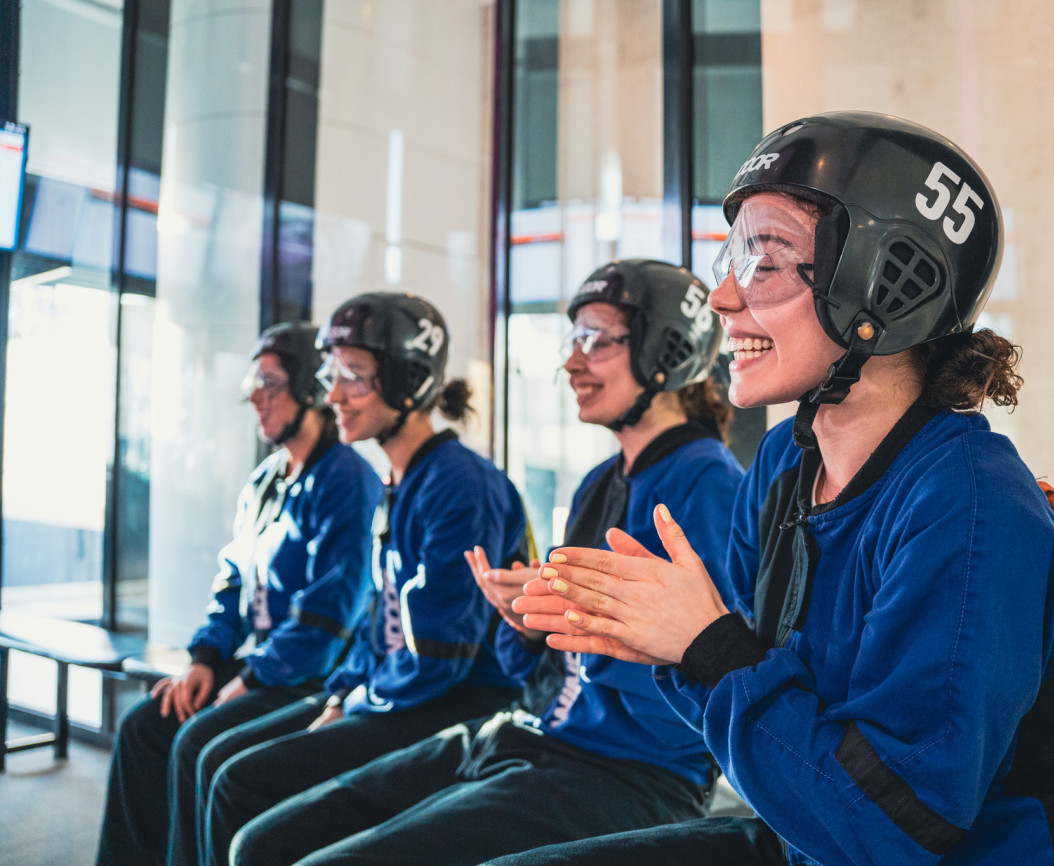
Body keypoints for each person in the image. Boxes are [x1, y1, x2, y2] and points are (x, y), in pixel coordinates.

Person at [507, 112, 1054, 865]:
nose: (723, 298)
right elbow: (749, 731)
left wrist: (706, 644)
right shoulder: (785, 469)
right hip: (812, 833)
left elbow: (895, 827)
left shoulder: (969, 507)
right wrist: (662, 636)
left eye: (765, 260)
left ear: (884, 288)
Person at [227, 260, 745, 866]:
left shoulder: (709, 485)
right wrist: (529, 624)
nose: (572, 361)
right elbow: (539, 669)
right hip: (530, 735)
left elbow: (699, 684)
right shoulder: (600, 483)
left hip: (627, 772)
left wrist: (578, 625)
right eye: (573, 341)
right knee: (261, 841)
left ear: (668, 350)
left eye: (597, 340)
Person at [192, 293, 530, 866]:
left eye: (354, 376)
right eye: (332, 374)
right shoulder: (399, 478)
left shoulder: (457, 484)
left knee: (238, 784)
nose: (333, 395)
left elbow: (437, 653)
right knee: (221, 762)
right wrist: (342, 692)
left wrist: (357, 702)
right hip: (401, 690)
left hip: (455, 702)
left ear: (407, 380)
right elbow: (380, 626)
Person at [96, 322, 381, 866]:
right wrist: (206, 659)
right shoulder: (266, 479)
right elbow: (231, 578)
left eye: (269, 382)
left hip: (314, 675)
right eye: (253, 382)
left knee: (194, 742)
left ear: (306, 389)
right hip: (260, 664)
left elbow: (332, 611)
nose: (255, 396)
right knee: (143, 727)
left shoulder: (348, 480)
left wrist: (250, 678)